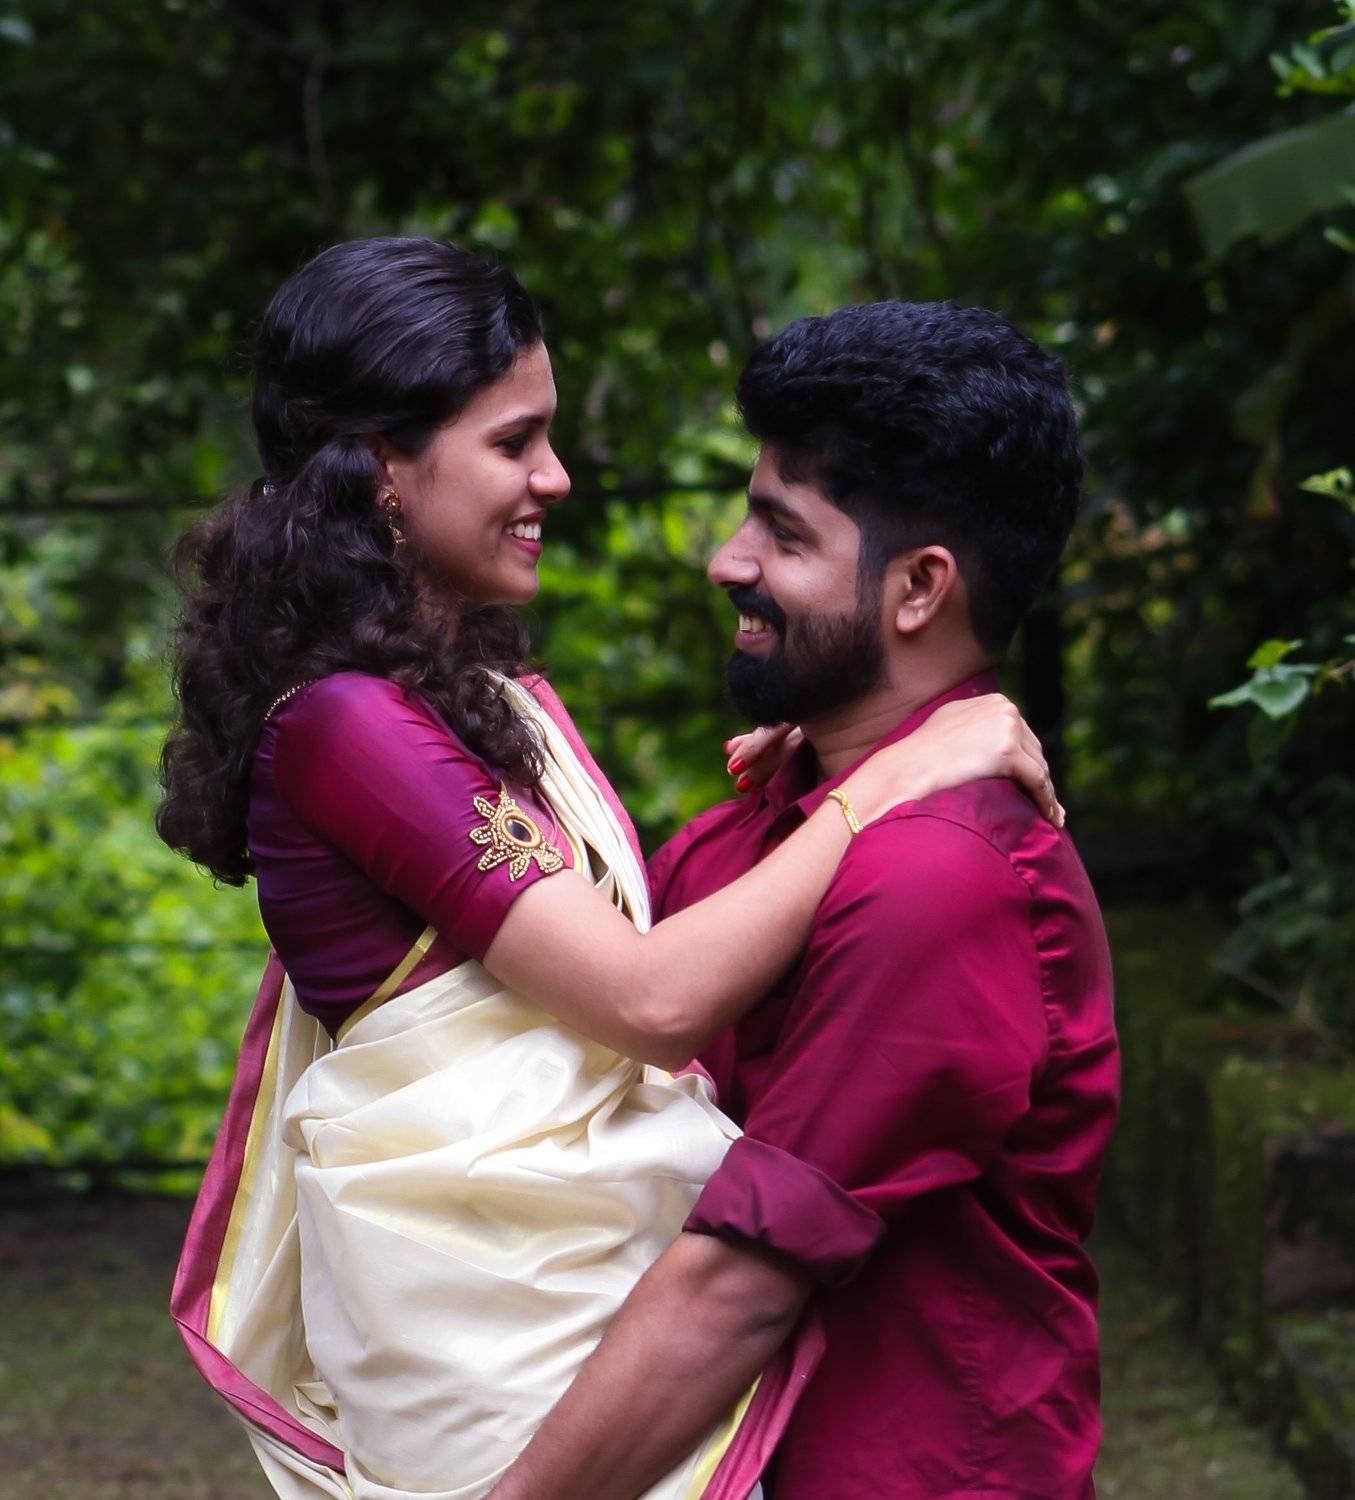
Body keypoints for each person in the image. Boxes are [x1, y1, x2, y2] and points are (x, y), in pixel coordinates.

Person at [159, 239, 1058, 1500]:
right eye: (513, 442)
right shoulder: (350, 724)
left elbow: (591, 954)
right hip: (498, 1341)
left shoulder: (437, 699)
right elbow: (646, 998)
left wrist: (819, 777)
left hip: (545, 1309)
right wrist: (884, 779)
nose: (555, 477)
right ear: (382, 469)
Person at [486, 302, 1120, 1500]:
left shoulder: (943, 875)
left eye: (781, 532)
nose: (726, 561)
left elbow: (744, 1276)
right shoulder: (764, 828)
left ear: (918, 588)